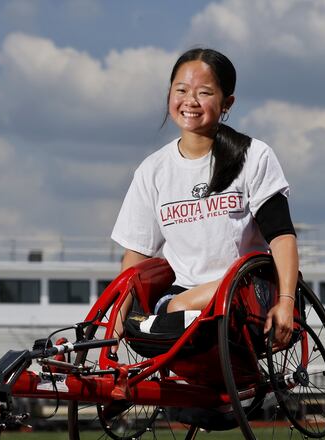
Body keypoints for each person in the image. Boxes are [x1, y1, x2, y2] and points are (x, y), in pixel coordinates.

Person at [110, 48, 299, 347]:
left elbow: (282, 237)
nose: (190, 101)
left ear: (227, 103)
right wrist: (114, 325)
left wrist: (286, 302)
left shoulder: (254, 156)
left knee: (176, 311)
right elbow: (137, 255)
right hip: (182, 295)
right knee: (156, 319)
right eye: (181, 90)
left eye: (204, 92)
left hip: (246, 293)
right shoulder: (152, 170)